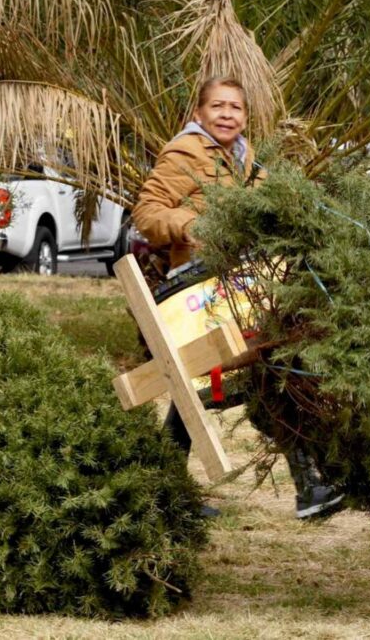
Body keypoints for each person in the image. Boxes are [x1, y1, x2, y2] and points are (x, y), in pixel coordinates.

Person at [132, 76, 344, 520]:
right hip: (195, 291)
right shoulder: (186, 153)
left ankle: (309, 487)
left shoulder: (247, 162)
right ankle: (165, 496)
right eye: (218, 106)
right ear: (199, 114)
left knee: (264, 368)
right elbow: (147, 213)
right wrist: (190, 225)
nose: (228, 114)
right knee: (209, 384)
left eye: (236, 108)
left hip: (241, 286)